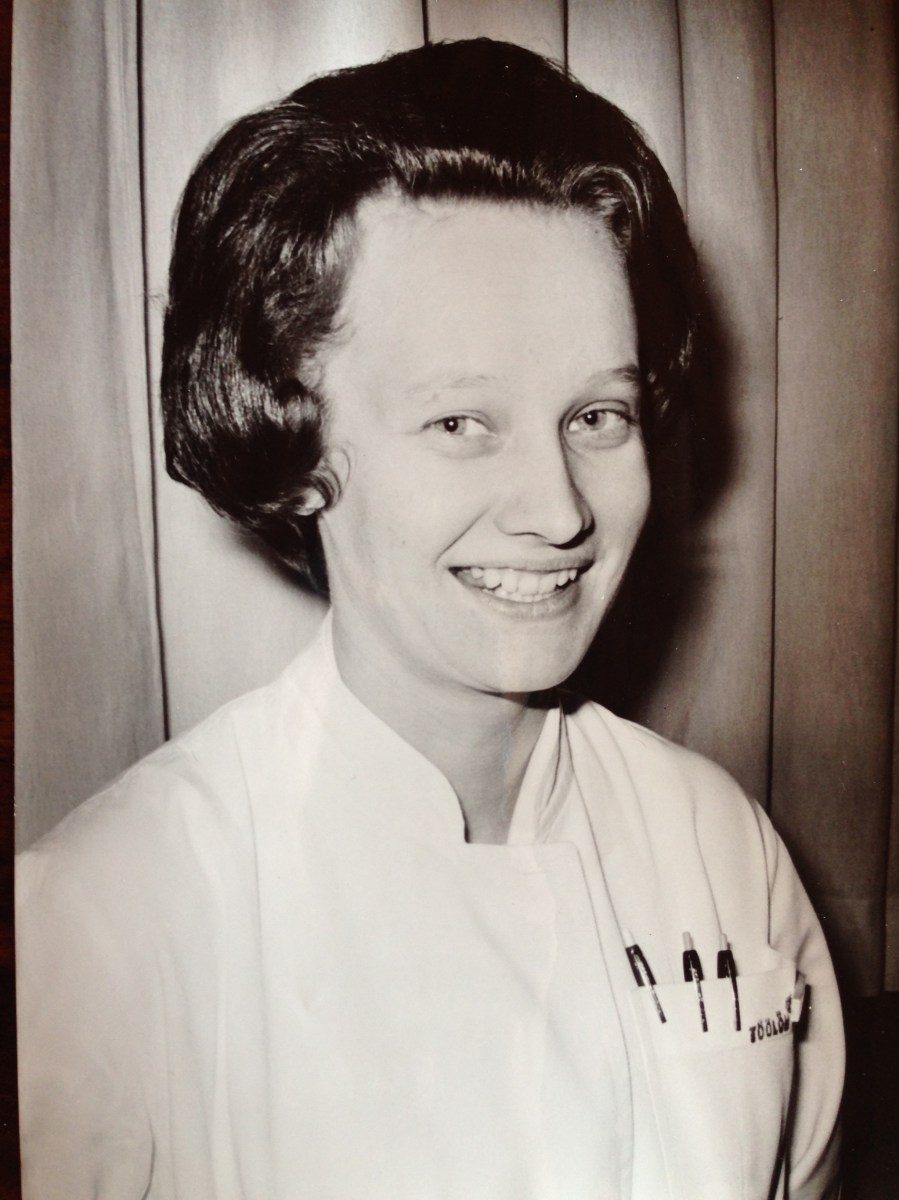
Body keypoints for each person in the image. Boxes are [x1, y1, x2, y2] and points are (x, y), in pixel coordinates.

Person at [16, 38, 843, 1200]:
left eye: (597, 416)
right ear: (296, 446)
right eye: (461, 423)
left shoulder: (721, 849)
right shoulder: (106, 920)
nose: (558, 510)